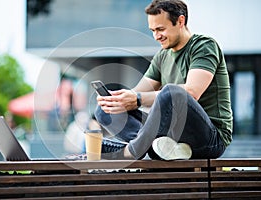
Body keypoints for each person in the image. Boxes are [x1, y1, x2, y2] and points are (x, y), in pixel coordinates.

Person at [94, 0, 233, 160]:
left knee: (172, 92)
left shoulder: (204, 46)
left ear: (180, 21)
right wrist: (119, 99)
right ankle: (156, 147)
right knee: (106, 110)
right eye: (152, 30)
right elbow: (138, 92)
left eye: (160, 29)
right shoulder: (162, 56)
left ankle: (131, 151)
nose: (156, 36)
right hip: (171, 139)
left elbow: (192, 92)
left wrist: (137, 99)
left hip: (210, 139)